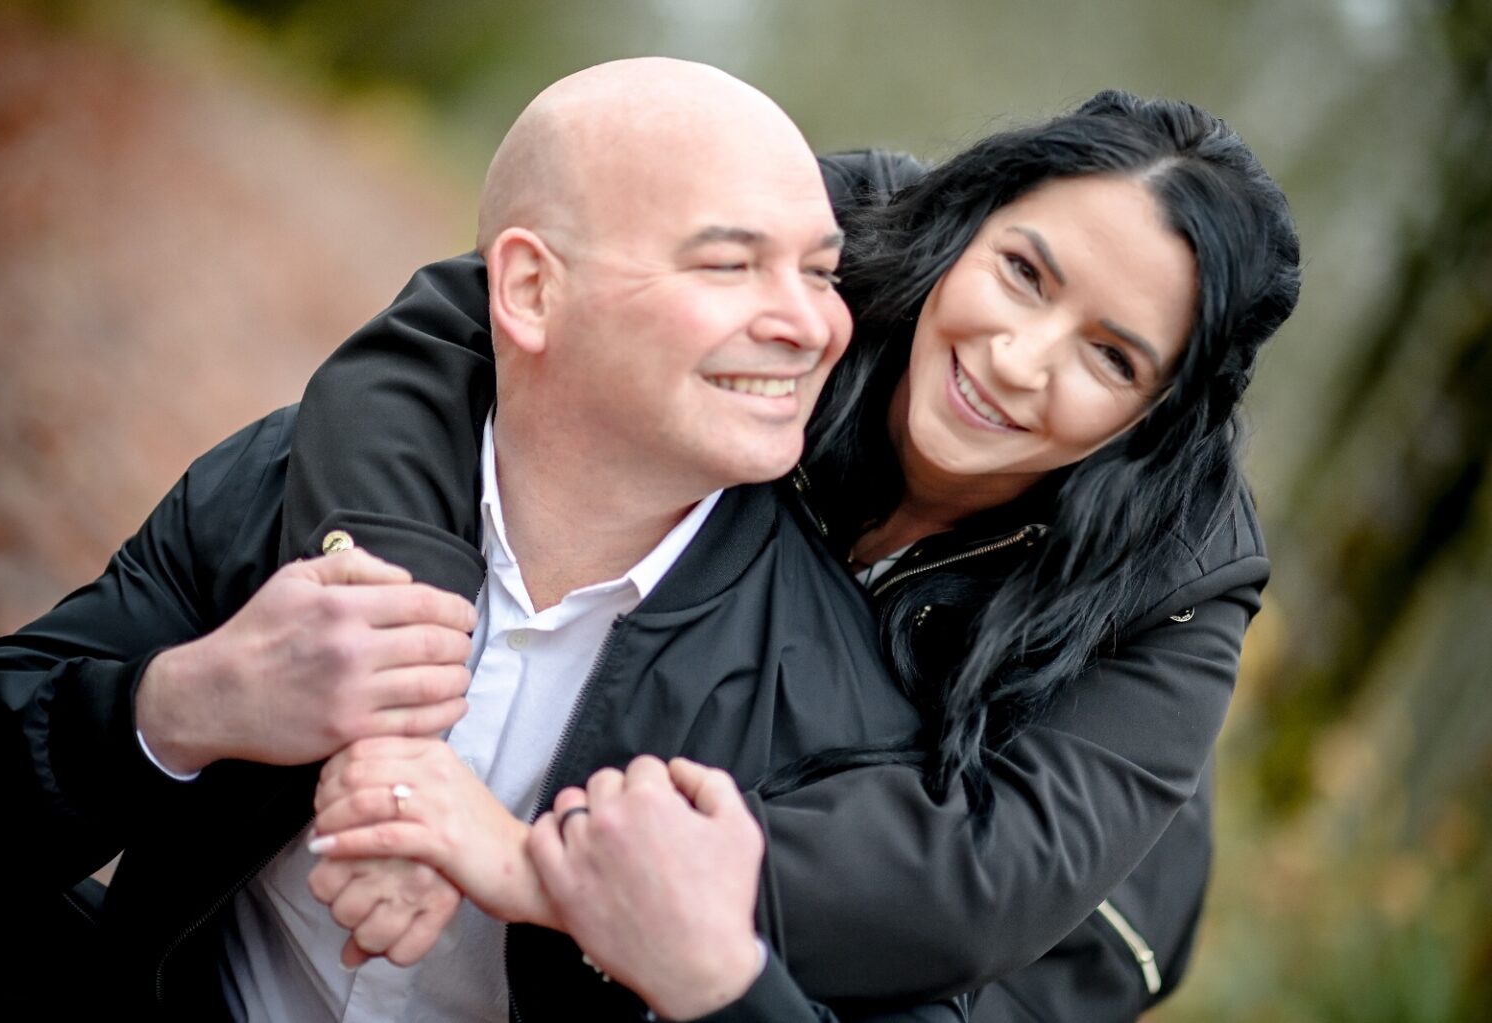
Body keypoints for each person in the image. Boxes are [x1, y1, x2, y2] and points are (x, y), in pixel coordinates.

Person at [281, 89, 1302, 1021]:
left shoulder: (1186, 578)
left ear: (1160, 411)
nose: (1018, 359)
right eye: (1024, 274)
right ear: (974, 217)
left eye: (1111, 355)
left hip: (1049, 938)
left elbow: (987, 876)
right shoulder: (832, 238)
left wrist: (557, 867)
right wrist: (392, 695)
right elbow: (469, 329)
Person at [0, 59, 943, 1021]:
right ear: (528, 290)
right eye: (730, 263)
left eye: (822, 272)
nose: (812, 325)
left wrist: (712, 979)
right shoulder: (294, 481)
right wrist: (183, 704)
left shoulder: (843, 701)